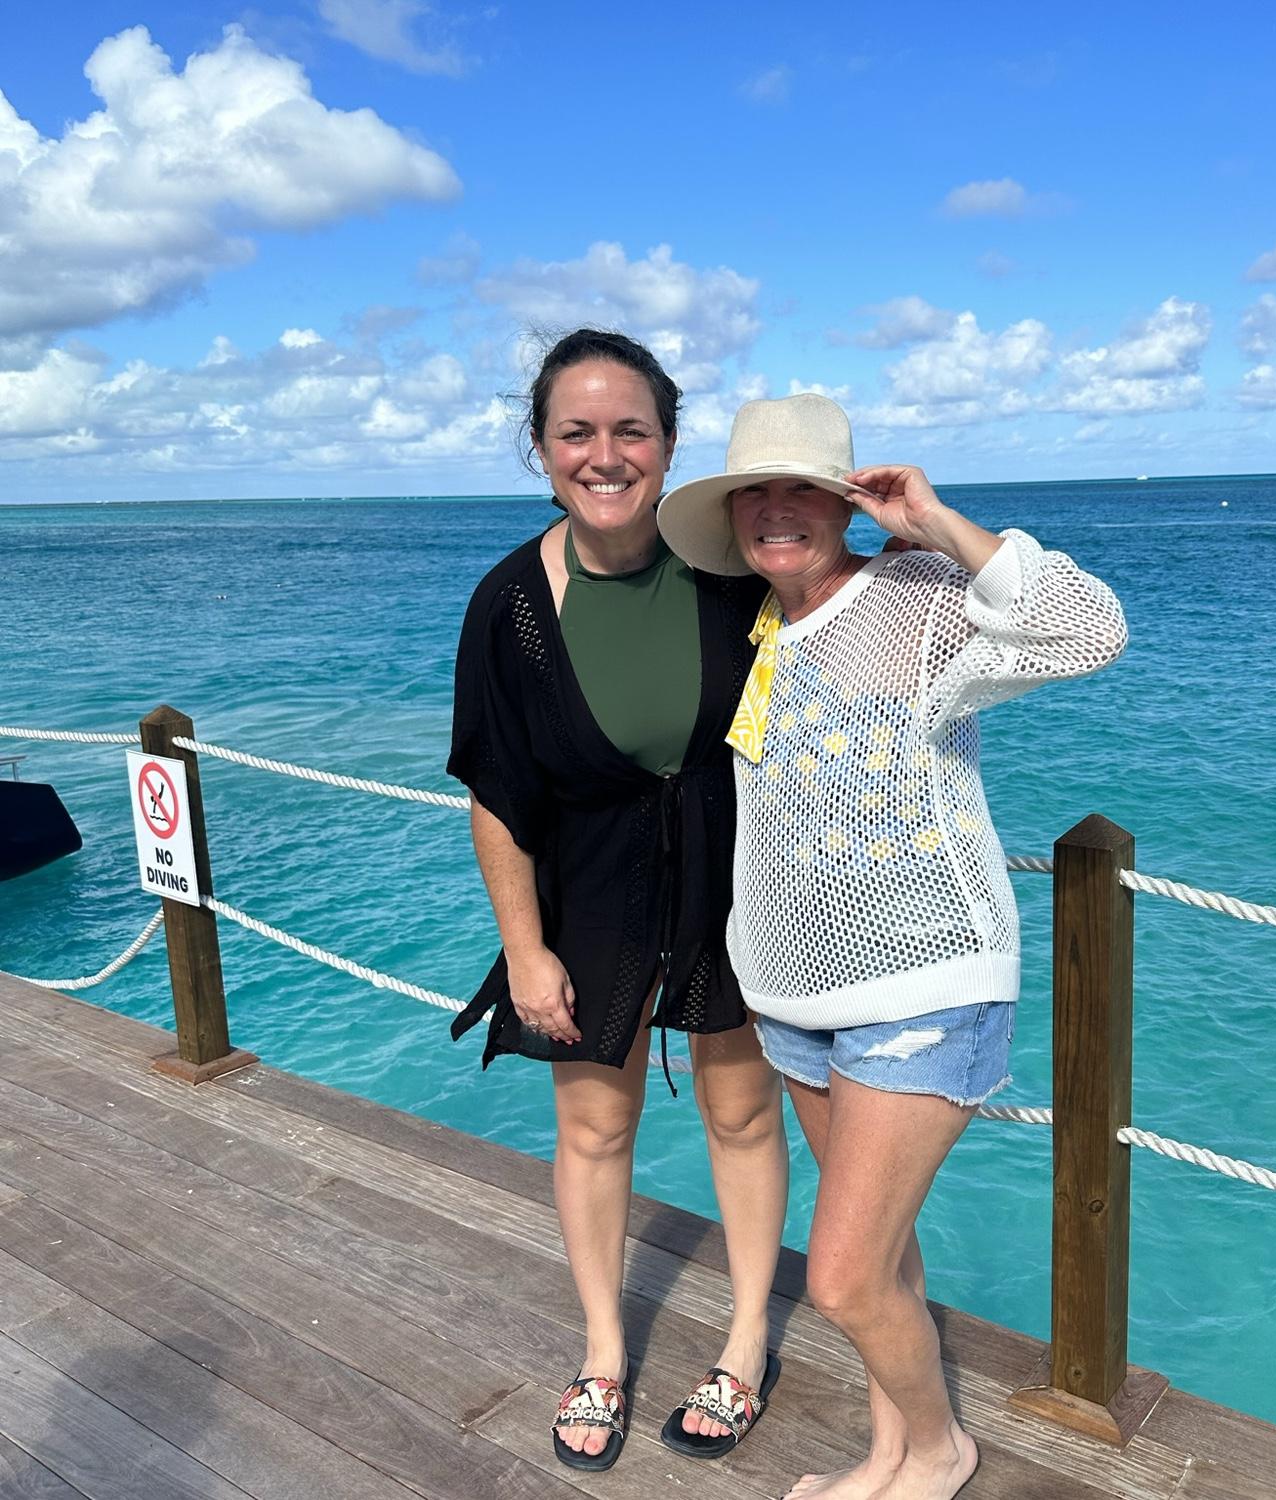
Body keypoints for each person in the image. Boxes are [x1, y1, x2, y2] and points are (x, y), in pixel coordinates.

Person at [657, 393, 1127, 1500]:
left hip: (923, 984)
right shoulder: (759, 626)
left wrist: (939, 523)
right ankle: (889, 1453)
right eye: (755, 493)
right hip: (792, 998)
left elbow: (1091, 629)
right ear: (731, 515)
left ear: (845, 503)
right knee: (886, 1253)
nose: (778, 511)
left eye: (804, 490)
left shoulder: (915, 596)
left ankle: (940, 1450)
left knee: (840, 1276)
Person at [448, 330, 788, 1472]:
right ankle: (603, 1352)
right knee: (594, 1128)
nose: (606, 455)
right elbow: (497, 794)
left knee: (743, 1117)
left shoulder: (732, 574)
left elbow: (852, 639)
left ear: (671, 445)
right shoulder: (509, 605)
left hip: (736, 889)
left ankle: (745, 1345)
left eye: (631, 430)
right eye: (577, 432)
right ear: (542, 449)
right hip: (585, 895)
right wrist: (524, 949)